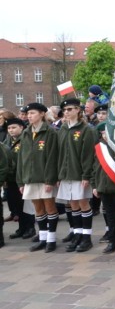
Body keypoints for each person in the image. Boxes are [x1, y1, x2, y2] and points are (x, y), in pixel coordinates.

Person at [16, 103, 59, 253]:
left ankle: (51, 240)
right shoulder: (26, 132)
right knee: (38, 209)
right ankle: (43, 238)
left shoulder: (50, 132)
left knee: (49, 207)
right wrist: (20, 180)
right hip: (30, 177)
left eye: (32, 113)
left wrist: (50, 179)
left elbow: (52, 157)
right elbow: (22, 158)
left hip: (44, 177)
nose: (29, 116)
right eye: (28, 113)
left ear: (41, 114)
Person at [57, 98, 97, 253]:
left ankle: (87, 237)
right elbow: (60, 154)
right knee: (73, 204)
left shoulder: (86, 129)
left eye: (70, 109)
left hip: (79, 173)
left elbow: (88, 155)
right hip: (66, 174)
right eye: (65, 110)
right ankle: (77, 234)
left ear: (78, 110)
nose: (66, 112)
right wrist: (60, 174)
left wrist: (86, 176)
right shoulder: (63, 129)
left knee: (83, 203)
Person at [92, 122, 115, 253]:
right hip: (103, 186)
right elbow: (94, 168)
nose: (105, 135)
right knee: (110, 217)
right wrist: (94, 185)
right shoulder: (98, 148)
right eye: (103, 133)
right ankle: (112, 241)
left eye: (108, 132)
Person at [5, 118, 35, 241]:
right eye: (9, 128)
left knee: (26, 204)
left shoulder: (25, 139)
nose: (11, 130)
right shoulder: (8, 141)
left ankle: (30, 228)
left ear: (21, 128)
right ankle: (21, 228)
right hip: (11, 178)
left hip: (22, 177)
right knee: (16, 205)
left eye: (14, 127)